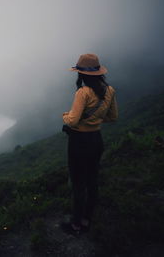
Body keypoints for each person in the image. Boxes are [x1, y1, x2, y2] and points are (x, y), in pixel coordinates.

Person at [61, 53, 118, 235]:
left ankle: (75, 224)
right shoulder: (110, 90)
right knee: (92, 181)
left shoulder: (83, 92)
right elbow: (113, 117)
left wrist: (65, 115)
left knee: (78, 184)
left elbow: (72, 120)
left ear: (81, 74)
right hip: (96, 140)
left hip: (79, 143)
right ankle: (86, 220)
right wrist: (95, 121)